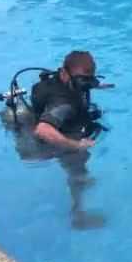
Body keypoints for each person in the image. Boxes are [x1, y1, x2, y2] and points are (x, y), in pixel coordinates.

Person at [30, 51, 108, 230]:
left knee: (80, 164)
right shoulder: (62, 103)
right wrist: (76, 145)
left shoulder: (72, 81)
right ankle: (78, 216)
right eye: (82, 80)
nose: (85, 85)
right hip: (57, 137)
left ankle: (80, 178)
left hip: (69, 122)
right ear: (64, 74)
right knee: (77, 164)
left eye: (89, 80)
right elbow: (43, 130)